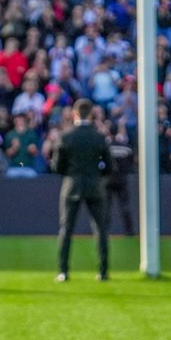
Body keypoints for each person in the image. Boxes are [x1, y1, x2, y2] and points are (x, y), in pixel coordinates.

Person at [50, 98, 113, 282]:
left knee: (66, 229)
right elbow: (109, 166)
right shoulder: (99, 136)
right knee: (100, 230)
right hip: (95, 186)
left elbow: (57, 166)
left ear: (74, 114)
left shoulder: (66, 136)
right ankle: (103, 272)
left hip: (72, 185)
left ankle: (63, 271)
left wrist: (71, 172)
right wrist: (96, 172)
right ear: (91, 113)